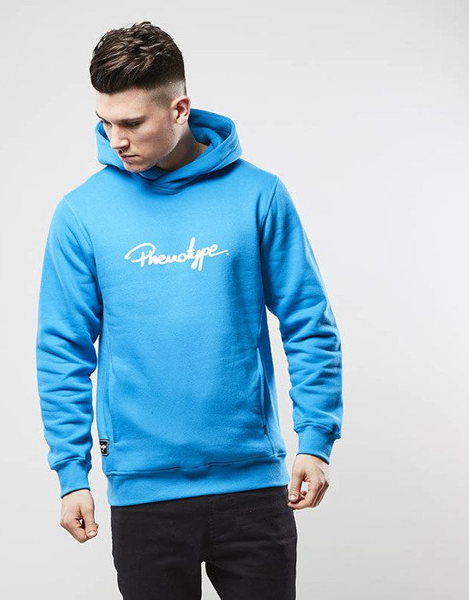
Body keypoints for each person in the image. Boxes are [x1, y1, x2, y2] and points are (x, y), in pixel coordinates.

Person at [36, 20, 343, 600]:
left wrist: (315, 439)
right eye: (105, 122)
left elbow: (309, 321)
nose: (115, 139)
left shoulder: (259, 195)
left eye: (132, 123)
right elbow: (63, 350)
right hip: (143, 492)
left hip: (251, 487)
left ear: (179, 109)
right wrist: (71, 474)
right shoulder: (82, 213)